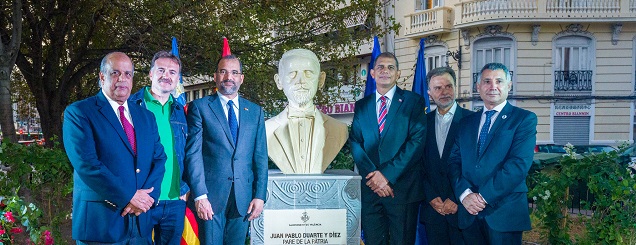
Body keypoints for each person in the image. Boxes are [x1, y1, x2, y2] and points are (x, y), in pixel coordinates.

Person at [63, 52, 167, 244]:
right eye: (115, 73)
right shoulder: (79, 113)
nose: (122, 79)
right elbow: (88, 164)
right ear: (102, 76)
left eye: (128, 74)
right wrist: (128, 196)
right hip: (101, 225)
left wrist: (147, 198)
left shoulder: (146, 117)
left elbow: (159, 159)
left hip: (140, 224)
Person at [448, 63, 537, 245]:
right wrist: (465, 195)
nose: (493, 86)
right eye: (487, 81)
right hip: (469, 213)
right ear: (478, 87)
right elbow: (454, 162)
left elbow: (518, 165)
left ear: (509, 86)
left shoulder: (524, 119)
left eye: (499, 81)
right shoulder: (465, 123)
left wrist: (482, 197)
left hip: (504, 213)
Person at [184, 55, 268, 245]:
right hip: (210, 198)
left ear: (241, 78)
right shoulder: (200, 107)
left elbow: (261, 157)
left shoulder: (255, 111)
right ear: (215, 76)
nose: (228, 76)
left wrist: (260, 195)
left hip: (243, 199)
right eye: (223, 71)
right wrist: (200, 195)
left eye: (234, 72)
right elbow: (193, 155)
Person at [350, 52, 427, 245]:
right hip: (371, 191)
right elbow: (356, 143)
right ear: (373, 73)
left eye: (391, 67)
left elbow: (416, 143)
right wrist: (374, 178)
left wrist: (386, 176)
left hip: (401, 190)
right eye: (381, 67)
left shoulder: (413, 101)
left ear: (398, 74)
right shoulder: (362, 105)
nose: (386, 71)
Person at [128, 50, 188, 244]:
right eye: (161, 70)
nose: (166, 75)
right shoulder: (131, 105)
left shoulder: (181, 111)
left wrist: (185, 187)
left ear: (178, 78)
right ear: (150, 74)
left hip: (174, 199)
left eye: (172, 72)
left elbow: (188, 152)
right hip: (141, 197)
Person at [265, 49, 348, 174]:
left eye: (308, 73)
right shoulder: (265, 130)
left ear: (321, 80)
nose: (300, 81)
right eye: (292, 74)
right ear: (279, 81)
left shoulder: (339, 129)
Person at [420, 67, 472, 245]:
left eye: (448, 86)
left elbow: (474, 167)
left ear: (456, 88)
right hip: (433, 210)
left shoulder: (472, 121)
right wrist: (431, 197)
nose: (444, 92)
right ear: (430, 93)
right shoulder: (422, 123)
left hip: (462, 209)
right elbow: (418, 165)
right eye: (438, 88)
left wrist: (457, 197)